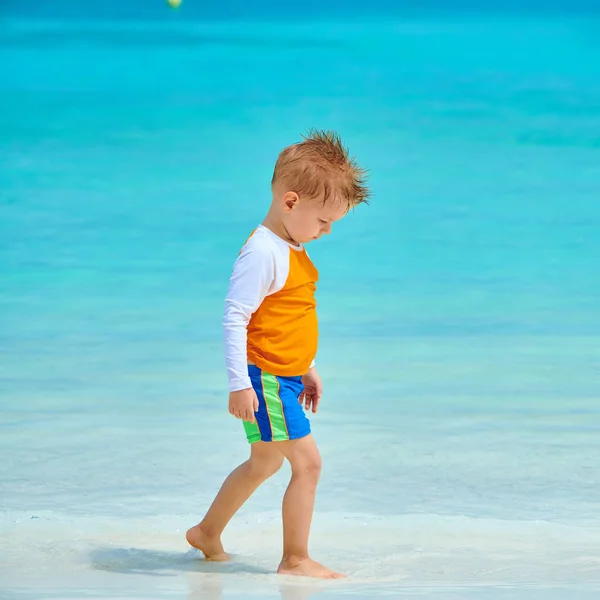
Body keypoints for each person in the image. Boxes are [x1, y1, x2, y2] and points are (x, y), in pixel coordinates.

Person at [186, 129, 370, 579]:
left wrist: (306, 367)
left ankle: (207, 532)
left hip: (283, 375)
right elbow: (235, 318)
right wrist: (239, 385)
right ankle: (295, 559)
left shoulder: (291, 246)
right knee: (308, 465)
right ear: (291, 202)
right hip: (264, 379)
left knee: (264, 461)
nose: (326, 232)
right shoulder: (262, 252)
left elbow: (283, 319)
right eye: (324, 221)